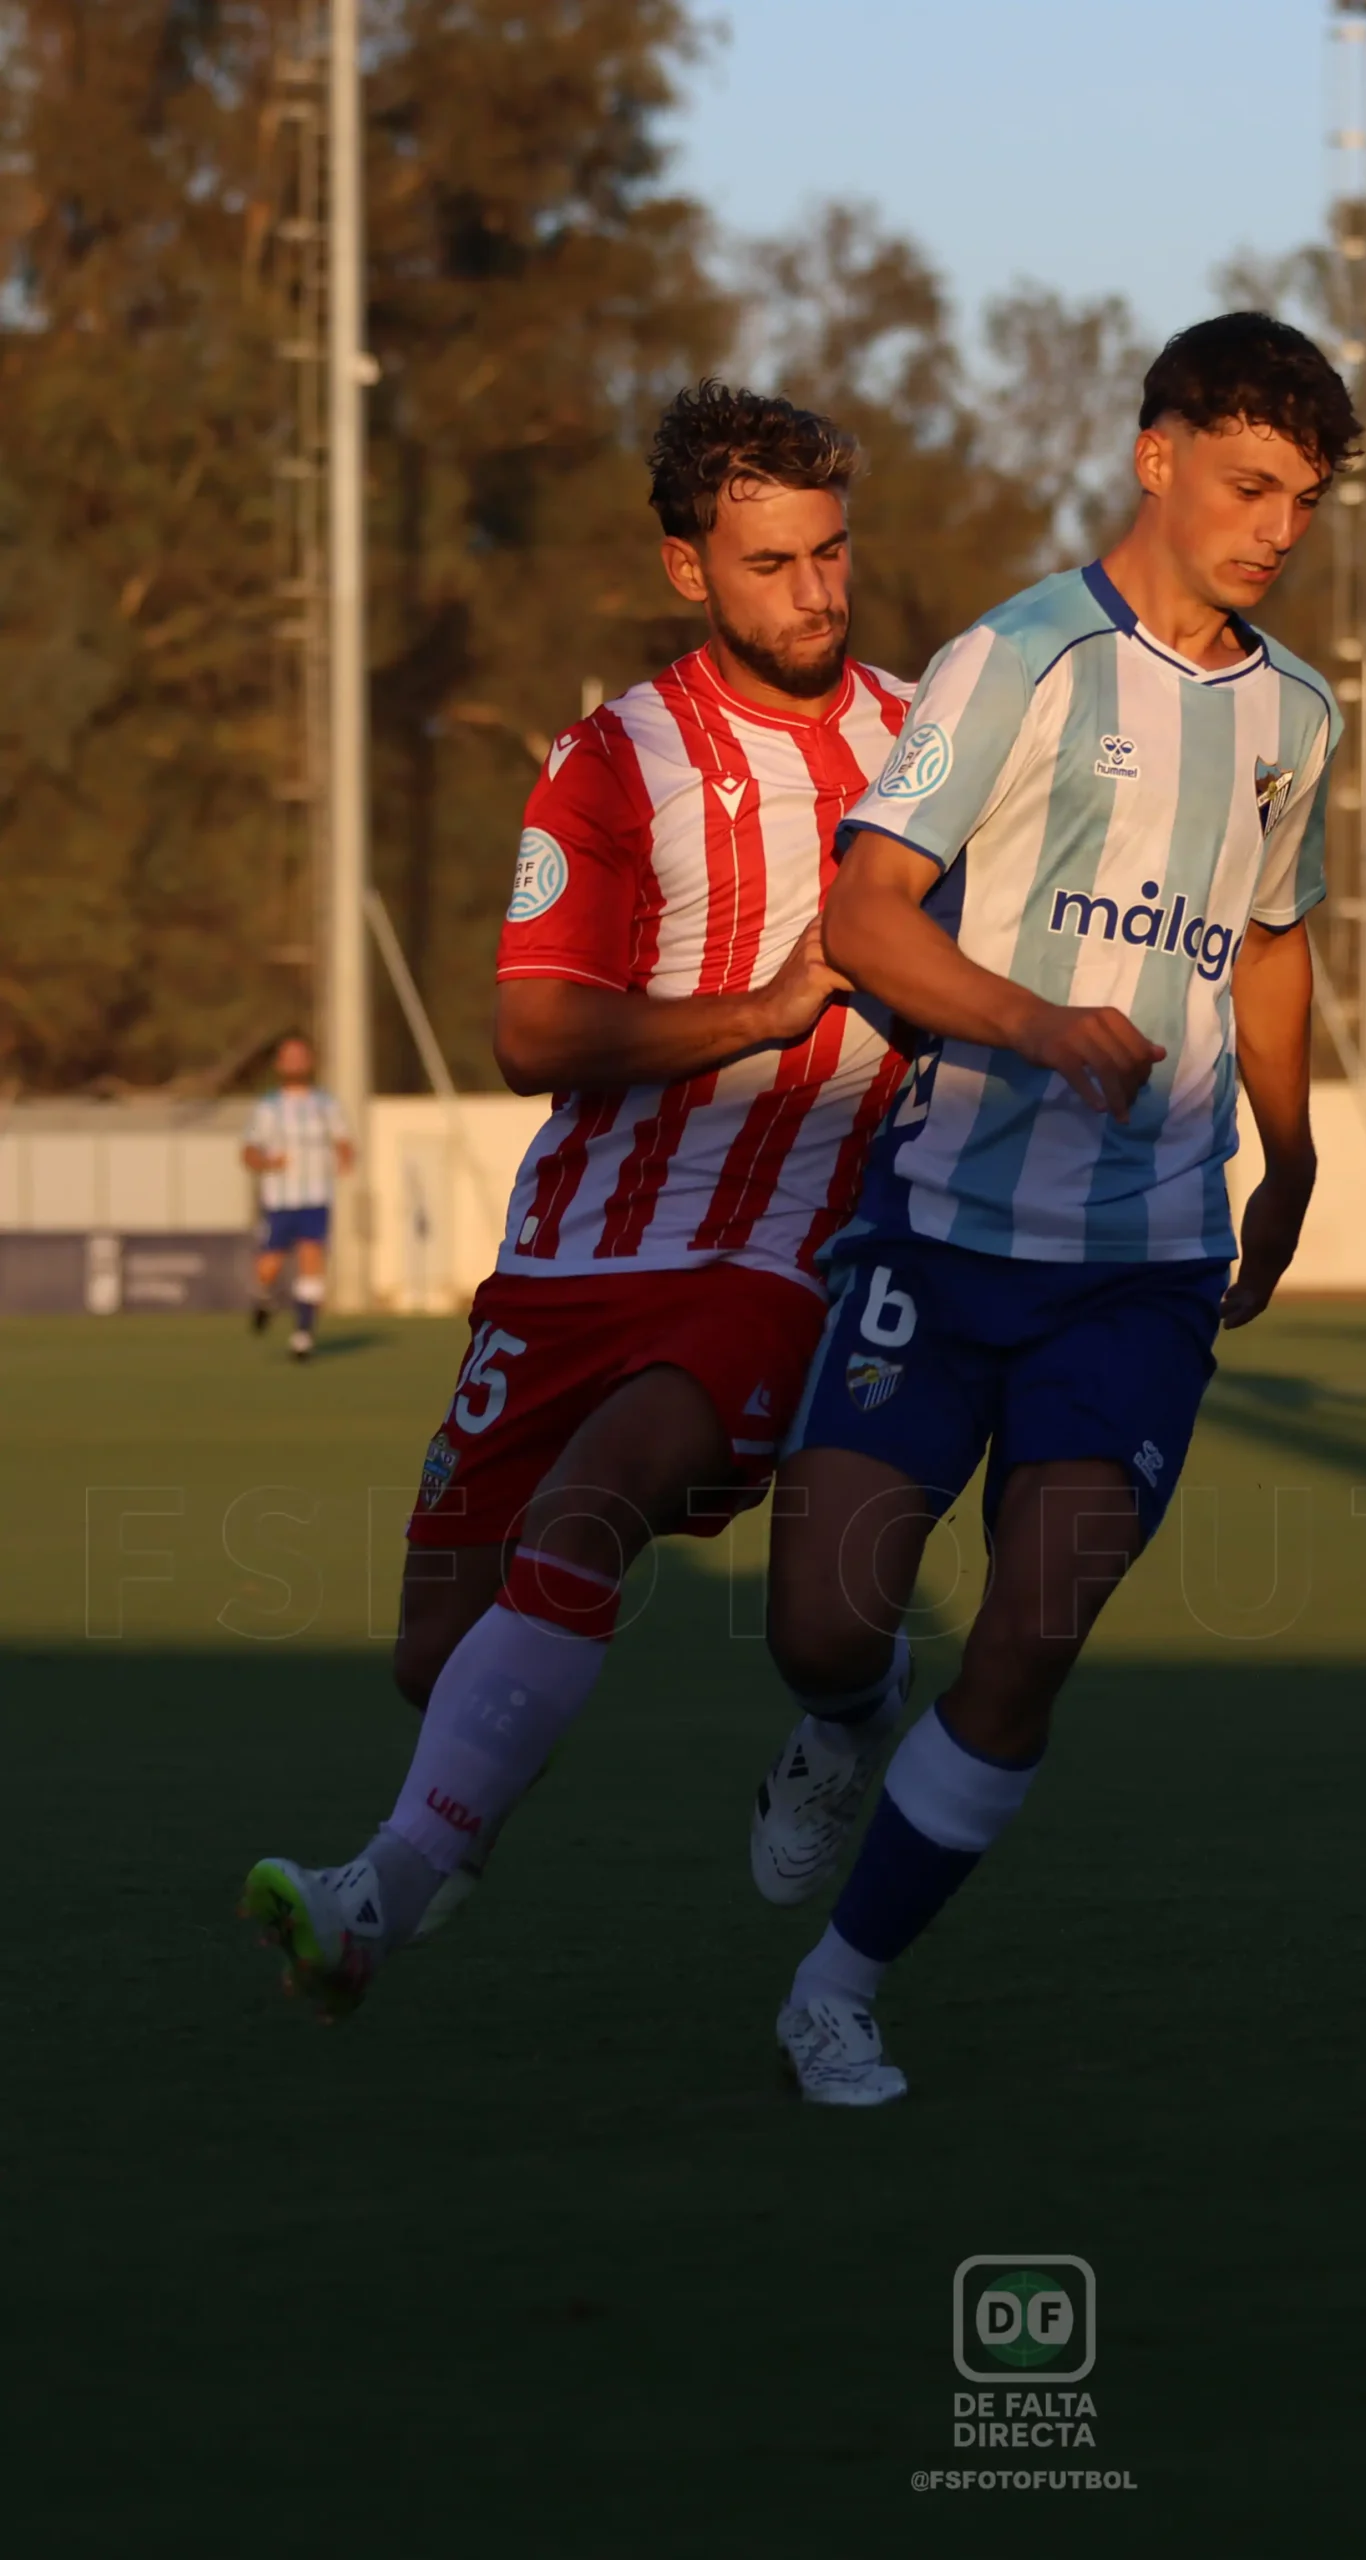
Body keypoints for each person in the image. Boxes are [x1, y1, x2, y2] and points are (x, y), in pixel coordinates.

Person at [241, 380, 915, 2011]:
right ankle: (851, 1693)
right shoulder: (614, 759)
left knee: (594, 1503)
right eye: (772, 564)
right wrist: (759, 1011)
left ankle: (380, 1894)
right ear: (689, 569)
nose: (816, 593)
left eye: (831, 553)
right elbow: (532, 1033)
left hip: (778, 1243)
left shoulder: (930, 741)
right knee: (436, 1657)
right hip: (572, 1251)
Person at [746, 311, 1354, 2106]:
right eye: (1249, 485)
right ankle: (843, 1718)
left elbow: (1268, 940)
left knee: (1028, 1640)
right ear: (1156, 456)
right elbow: (865, 916)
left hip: (1143, 1267)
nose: (1275, 529)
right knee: (822, 1627)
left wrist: (1293, 1151)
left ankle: (838, 1989)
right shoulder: (1010, 659)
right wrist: (1033, 1023)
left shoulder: (1298, 717)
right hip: (940, 1228)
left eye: (1304, 503)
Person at [242, 1035, 354, 1359]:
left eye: (300, 1057)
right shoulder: (268, 1107)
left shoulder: (326, 1104)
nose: (295, 1063)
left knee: (311, 1258)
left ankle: (303, 1335)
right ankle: (264, 1298)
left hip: (316, 1196)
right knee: (269, 1267)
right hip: (280, 1199)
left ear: (310, 1062)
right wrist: (266, 1162)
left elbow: (343, 1140)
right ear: (280, 1064)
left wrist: (344, 1157)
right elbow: (248, 1151)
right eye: (289, 1057)